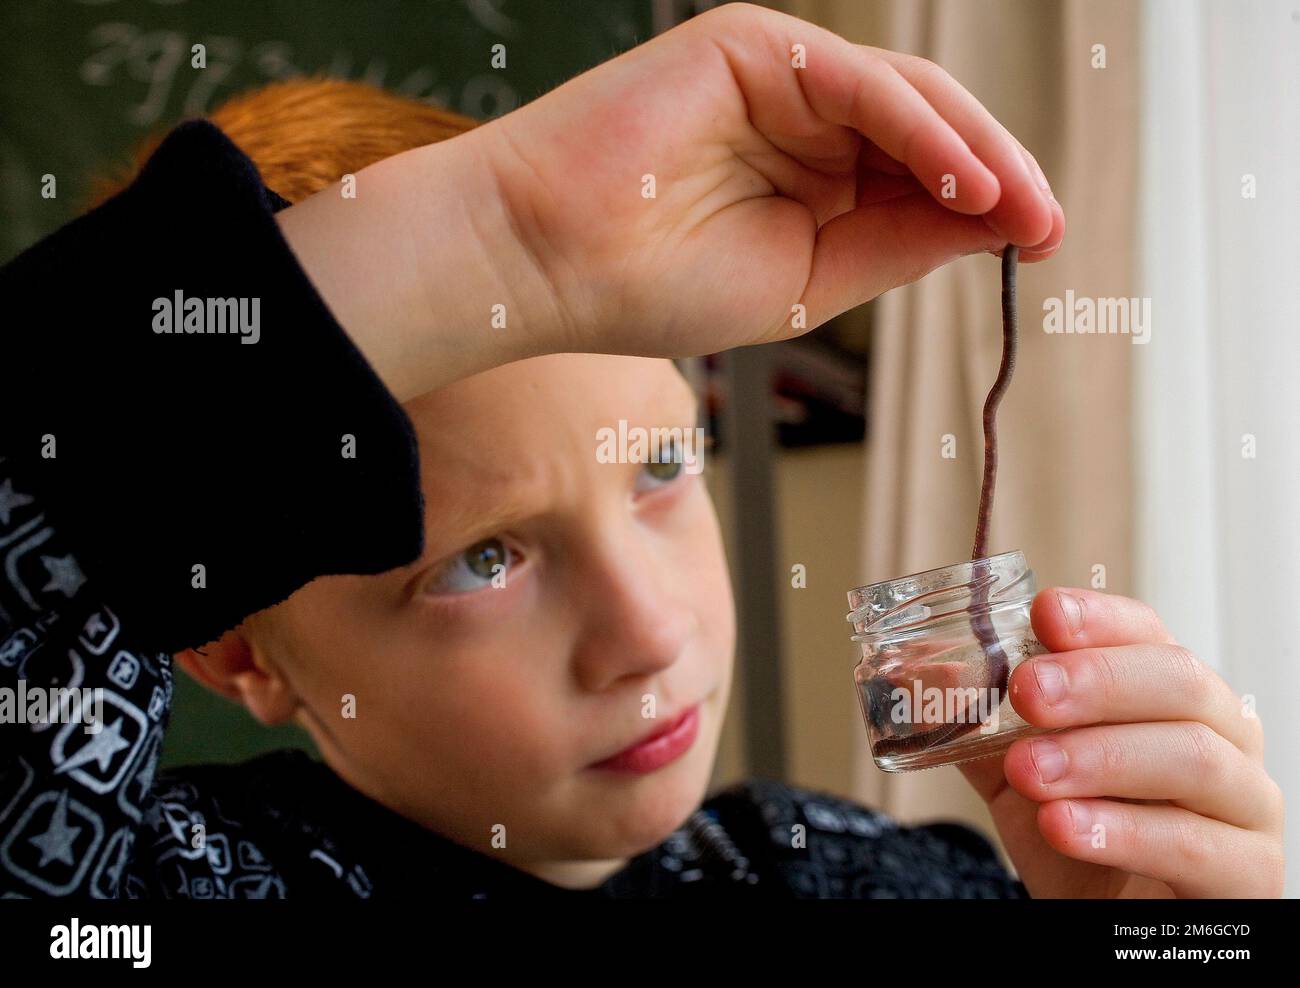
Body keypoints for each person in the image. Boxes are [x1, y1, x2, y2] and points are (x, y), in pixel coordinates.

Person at [0, 3, 1281, 899]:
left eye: (661, 471)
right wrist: (507, 242)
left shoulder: (849, 875)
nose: (650, 634)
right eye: (482, 559)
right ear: (232, 643)